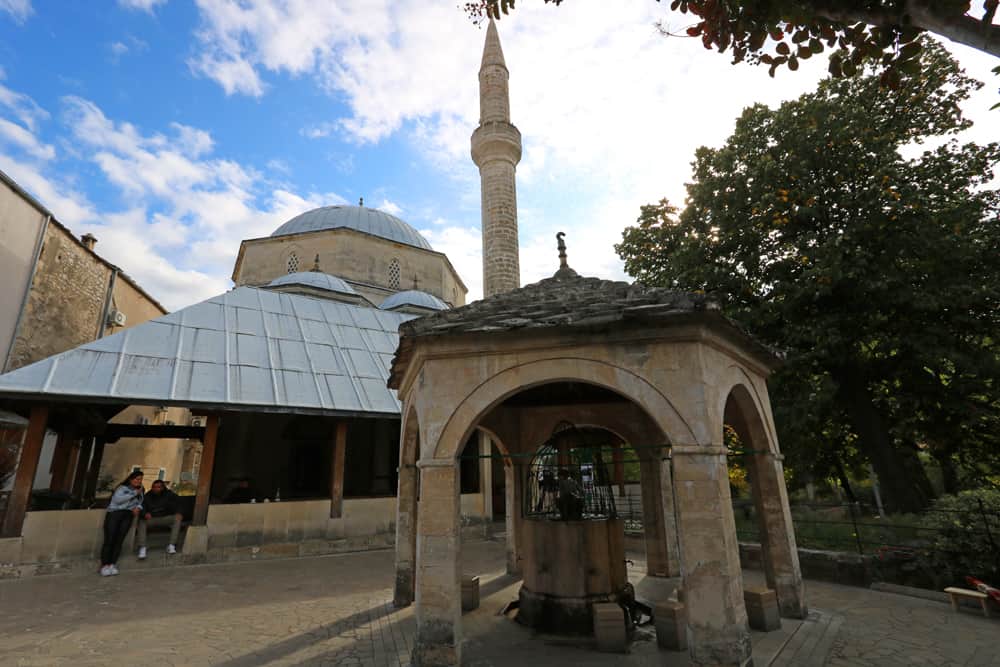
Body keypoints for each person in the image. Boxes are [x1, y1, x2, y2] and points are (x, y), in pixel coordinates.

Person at [99, 470, 144, 576]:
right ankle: (105, 564)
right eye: (137, 479)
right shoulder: (122, 488)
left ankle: (112, 564)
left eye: (141, 479)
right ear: (131, 479)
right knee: (110, 539)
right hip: (115, 514)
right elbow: (117, 500)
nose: (139, 481)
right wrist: (134, 493)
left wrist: (138, 507)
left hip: (128, 515)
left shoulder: (140, 490)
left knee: (119, 540)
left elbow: (141, 501)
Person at [137, 480, 182, 558]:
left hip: (165, 518)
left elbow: (179, 503)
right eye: (154, 487)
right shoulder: (148, 496)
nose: (156, 489)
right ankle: (142, 547)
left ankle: (171, 545)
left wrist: (179, 512)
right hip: (152, 519)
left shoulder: (169, 494)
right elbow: (142, 507)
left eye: (158, 487)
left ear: (163, 487)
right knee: (142, 521)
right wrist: (145, 514)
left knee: (177, 519)